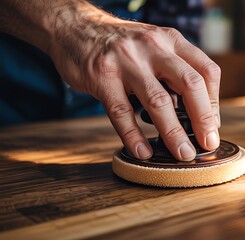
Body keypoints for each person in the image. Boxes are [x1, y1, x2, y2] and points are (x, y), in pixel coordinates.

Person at [0, 0, 221, 162]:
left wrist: (173, 79)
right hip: (10, 105)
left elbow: (177, 15)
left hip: (104, 119)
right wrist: (73, 24)